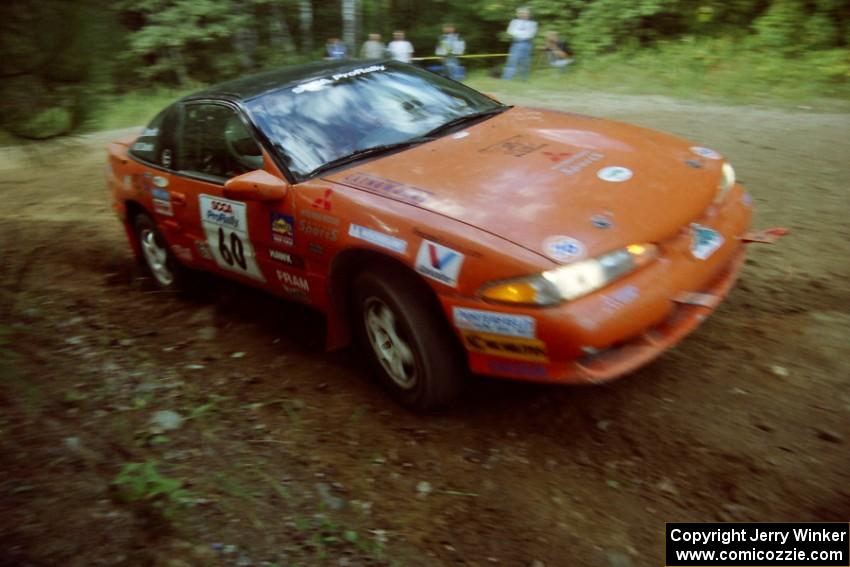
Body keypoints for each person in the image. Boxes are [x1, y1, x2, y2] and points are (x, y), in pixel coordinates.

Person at [502, 7, 537, 80]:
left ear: (528, 14)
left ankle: (523, 79)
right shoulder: (514, 22)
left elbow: (531, 34)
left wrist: (518, 32)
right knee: (512, 61)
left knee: (525, 63)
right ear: (518, 14)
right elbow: (510, 32)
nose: (523, 15)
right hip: (516, 43)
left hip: (527, 44)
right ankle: (506, 79)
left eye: (525, 13)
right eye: (521, 13)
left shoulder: (533, 23)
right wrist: (523, 33)